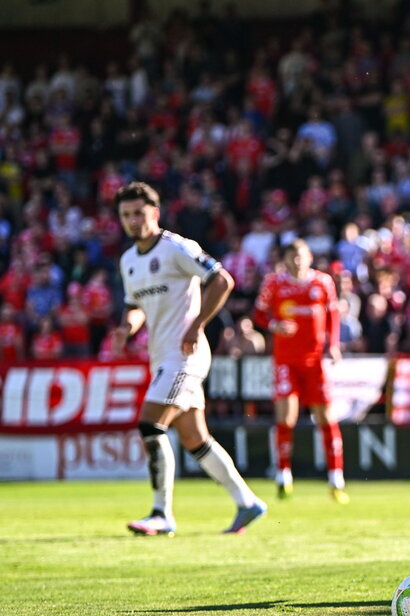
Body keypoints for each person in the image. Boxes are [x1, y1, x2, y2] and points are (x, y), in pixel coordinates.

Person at [112, 181, 267, 536]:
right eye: (126, 215)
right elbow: (134, 305)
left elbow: (222, 281)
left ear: (154, 213)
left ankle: (161, 513)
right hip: (161, 355)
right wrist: (127, 328)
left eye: (138, 213)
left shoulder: (176, 247)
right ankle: (247, 503)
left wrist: (197, 325)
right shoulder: (128, 261)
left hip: (185, 356)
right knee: (195, 438)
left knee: (150, 424)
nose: (133, 220)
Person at [253, 239, 347, 502]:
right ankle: (283, 475)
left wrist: (334, 345)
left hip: (315, 360)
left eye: (301, 256)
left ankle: (336, 479)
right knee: (287, 417)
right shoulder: (274, 283)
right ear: (285, 259)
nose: (297, 260)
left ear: (309, 258)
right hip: (285, 360)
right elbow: (259, 314)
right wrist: (274, 325)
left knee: (326, 418)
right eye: (292, 256)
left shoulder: (323, 283)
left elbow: (333, 315)